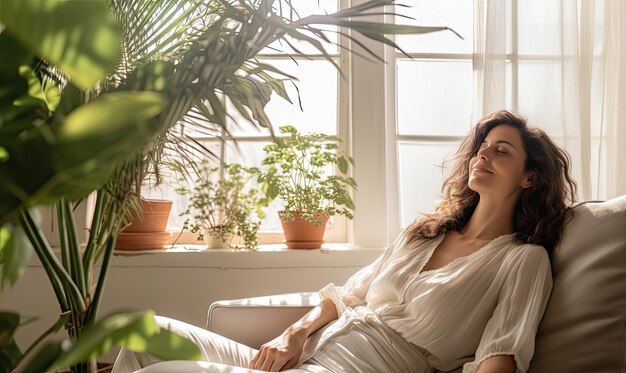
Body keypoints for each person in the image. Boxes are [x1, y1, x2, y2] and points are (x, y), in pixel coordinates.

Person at [112, 110, 577, 373]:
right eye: (482, 145)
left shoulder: (522, 260)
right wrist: (291, 334)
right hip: (307, 356)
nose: (484, 153)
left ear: (530, 177)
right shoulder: (423, 235)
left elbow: (502, 354)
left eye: (502, 149)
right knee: (143, 334)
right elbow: (346, 295)